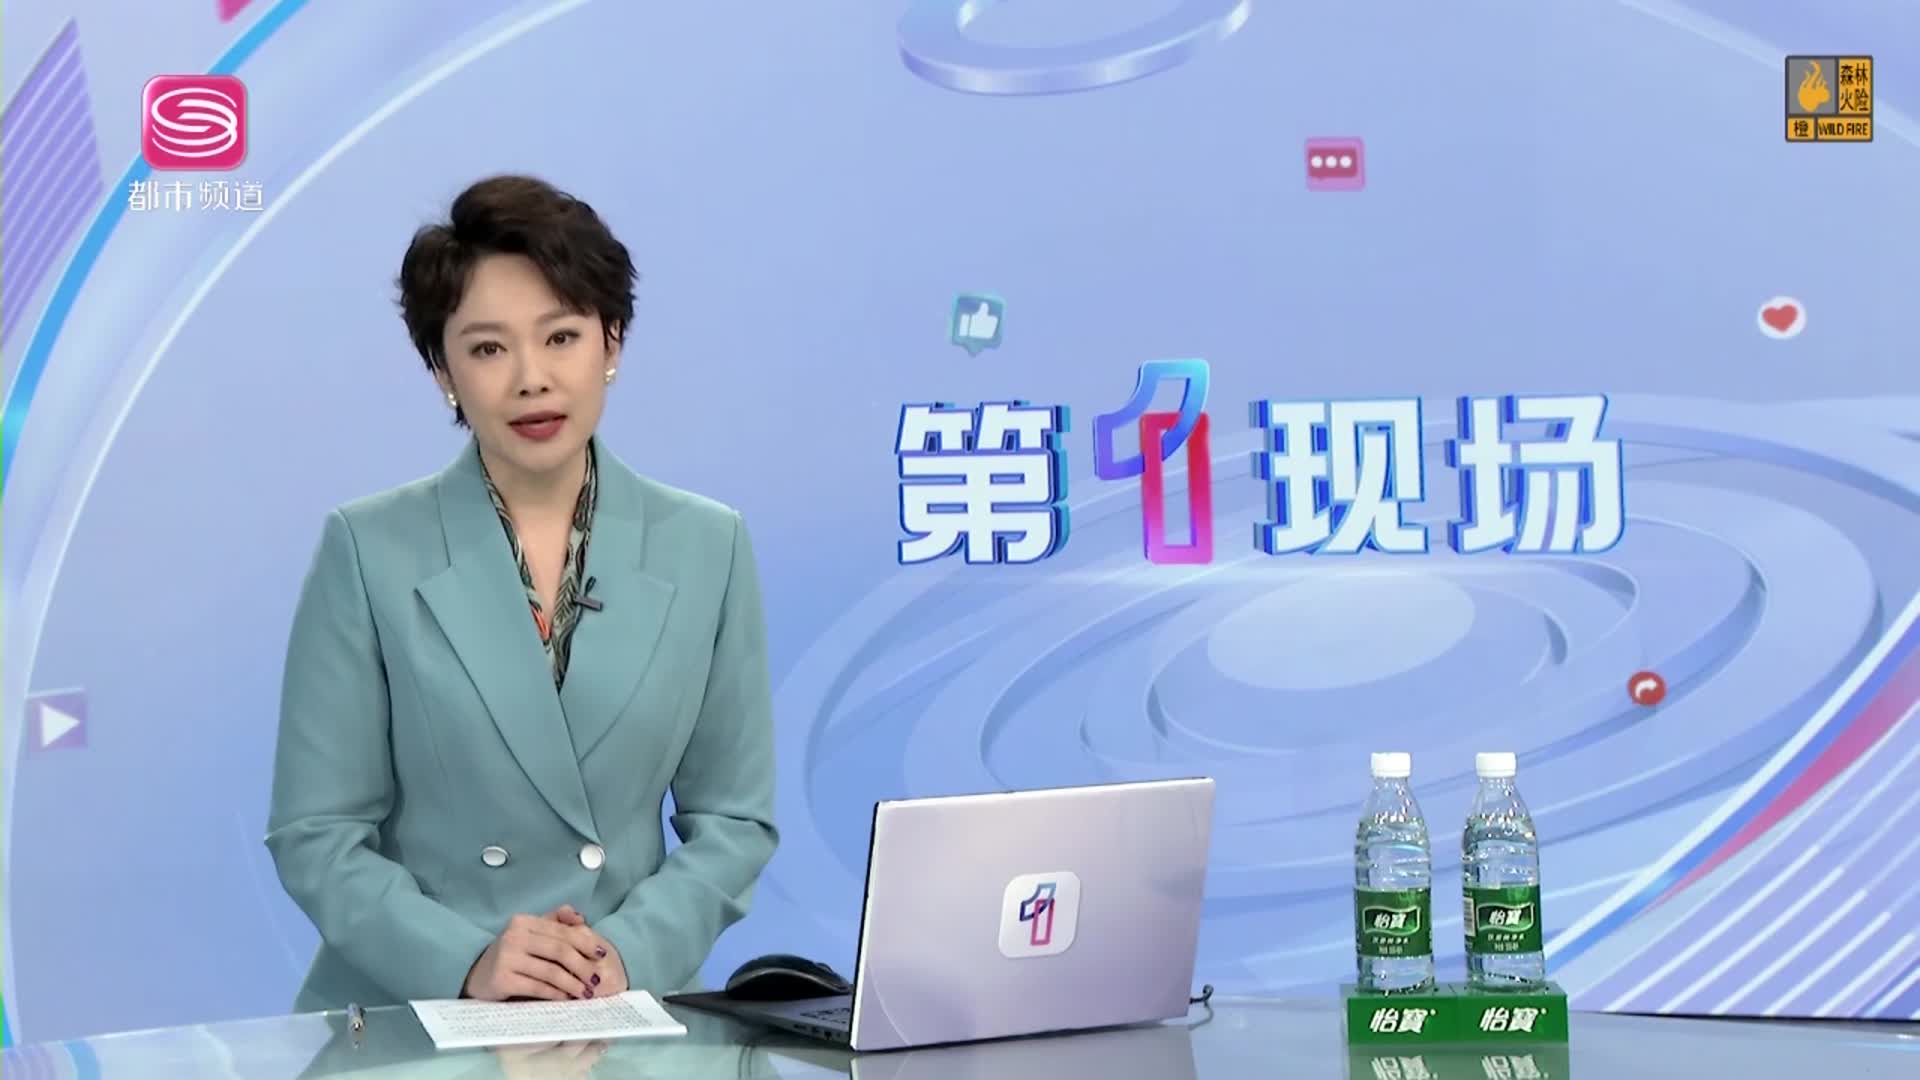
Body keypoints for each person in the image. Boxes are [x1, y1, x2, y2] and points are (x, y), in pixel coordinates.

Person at [266, 175, 777, 1011]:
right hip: (419, 1012)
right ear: (443, 370)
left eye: (562, 337)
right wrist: (467, 959)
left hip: (619, 1005)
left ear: (612, 343)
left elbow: (733, 820)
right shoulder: (366, 549)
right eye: (488, 349)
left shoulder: (707, 546)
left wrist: (627, 952)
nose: (532, 379)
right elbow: (315, 834)